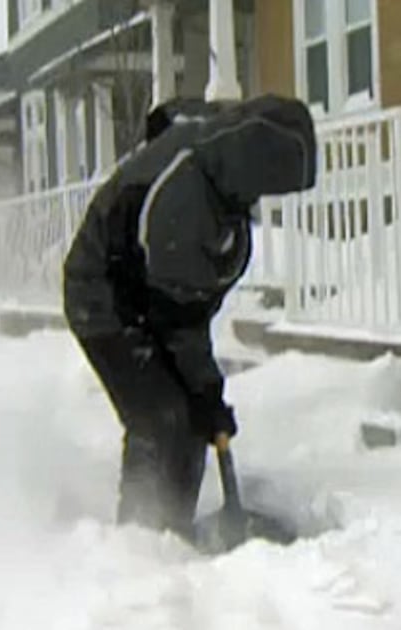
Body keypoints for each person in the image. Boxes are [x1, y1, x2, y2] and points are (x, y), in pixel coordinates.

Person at [62, 94, 316, 541]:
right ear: (255, 161)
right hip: (100, 296)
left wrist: (206, 390)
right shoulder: (188, 196)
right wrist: (201, 387)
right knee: (159, 417)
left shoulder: (220, 186)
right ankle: (138, 540)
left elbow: (187, 314)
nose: (264, 198)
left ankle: (171, 530)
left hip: (141, 298)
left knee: (189, 418)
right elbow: (175, 315)